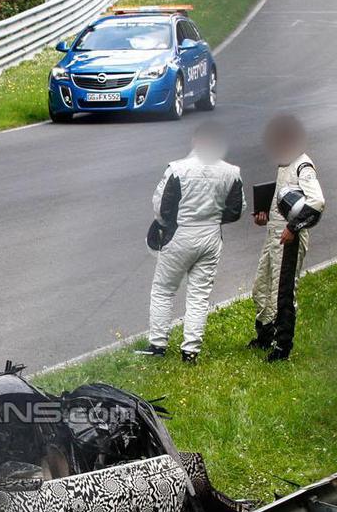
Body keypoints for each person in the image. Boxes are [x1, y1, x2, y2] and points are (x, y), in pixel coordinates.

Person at [136, 122, 244, 363]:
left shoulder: (177, 169)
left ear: (196, 141)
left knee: (164, 290)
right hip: (211, 236)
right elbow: (236, 211)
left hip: (180, 234)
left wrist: (165, 227)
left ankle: (158, 345)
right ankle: (190, 351)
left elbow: (161, 207)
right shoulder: (231, 172)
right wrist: (213, 218)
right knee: (199, 294)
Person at [250, 114, 325, 361]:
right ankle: (265, 334)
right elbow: (282, 197)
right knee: (261, 288)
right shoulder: (284, 164)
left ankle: (282, 348)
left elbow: (316, 202)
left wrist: (293, 228)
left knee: (282, 293)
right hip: (273, 235)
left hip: (288, 240)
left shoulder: (304, 166)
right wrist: (263, 216)